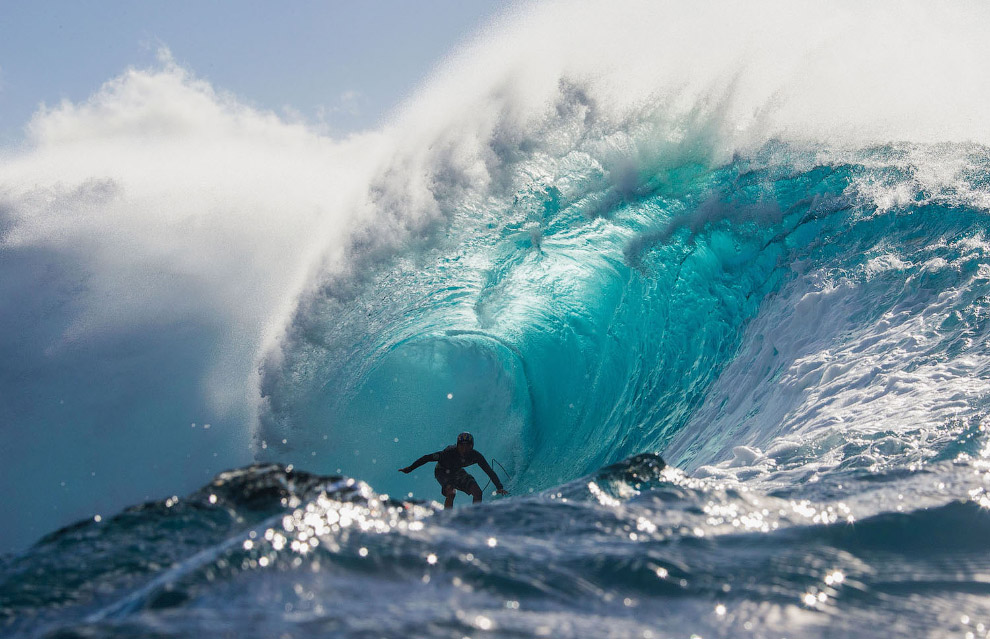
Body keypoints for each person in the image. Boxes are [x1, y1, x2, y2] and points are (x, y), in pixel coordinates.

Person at [399, 432, 509, 508]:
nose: (465, 449)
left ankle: (475, 516)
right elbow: (427, 458)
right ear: (457, 445)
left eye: (468, 446)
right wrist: (410, 468)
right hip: (442, 471)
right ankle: (447, 519)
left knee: (477, 492)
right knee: (451, 492)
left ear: (472, 446)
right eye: (462, 446)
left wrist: (499, 487)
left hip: (457, 471)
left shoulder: (476, 456)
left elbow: (488, 470)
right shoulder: (448, 453)